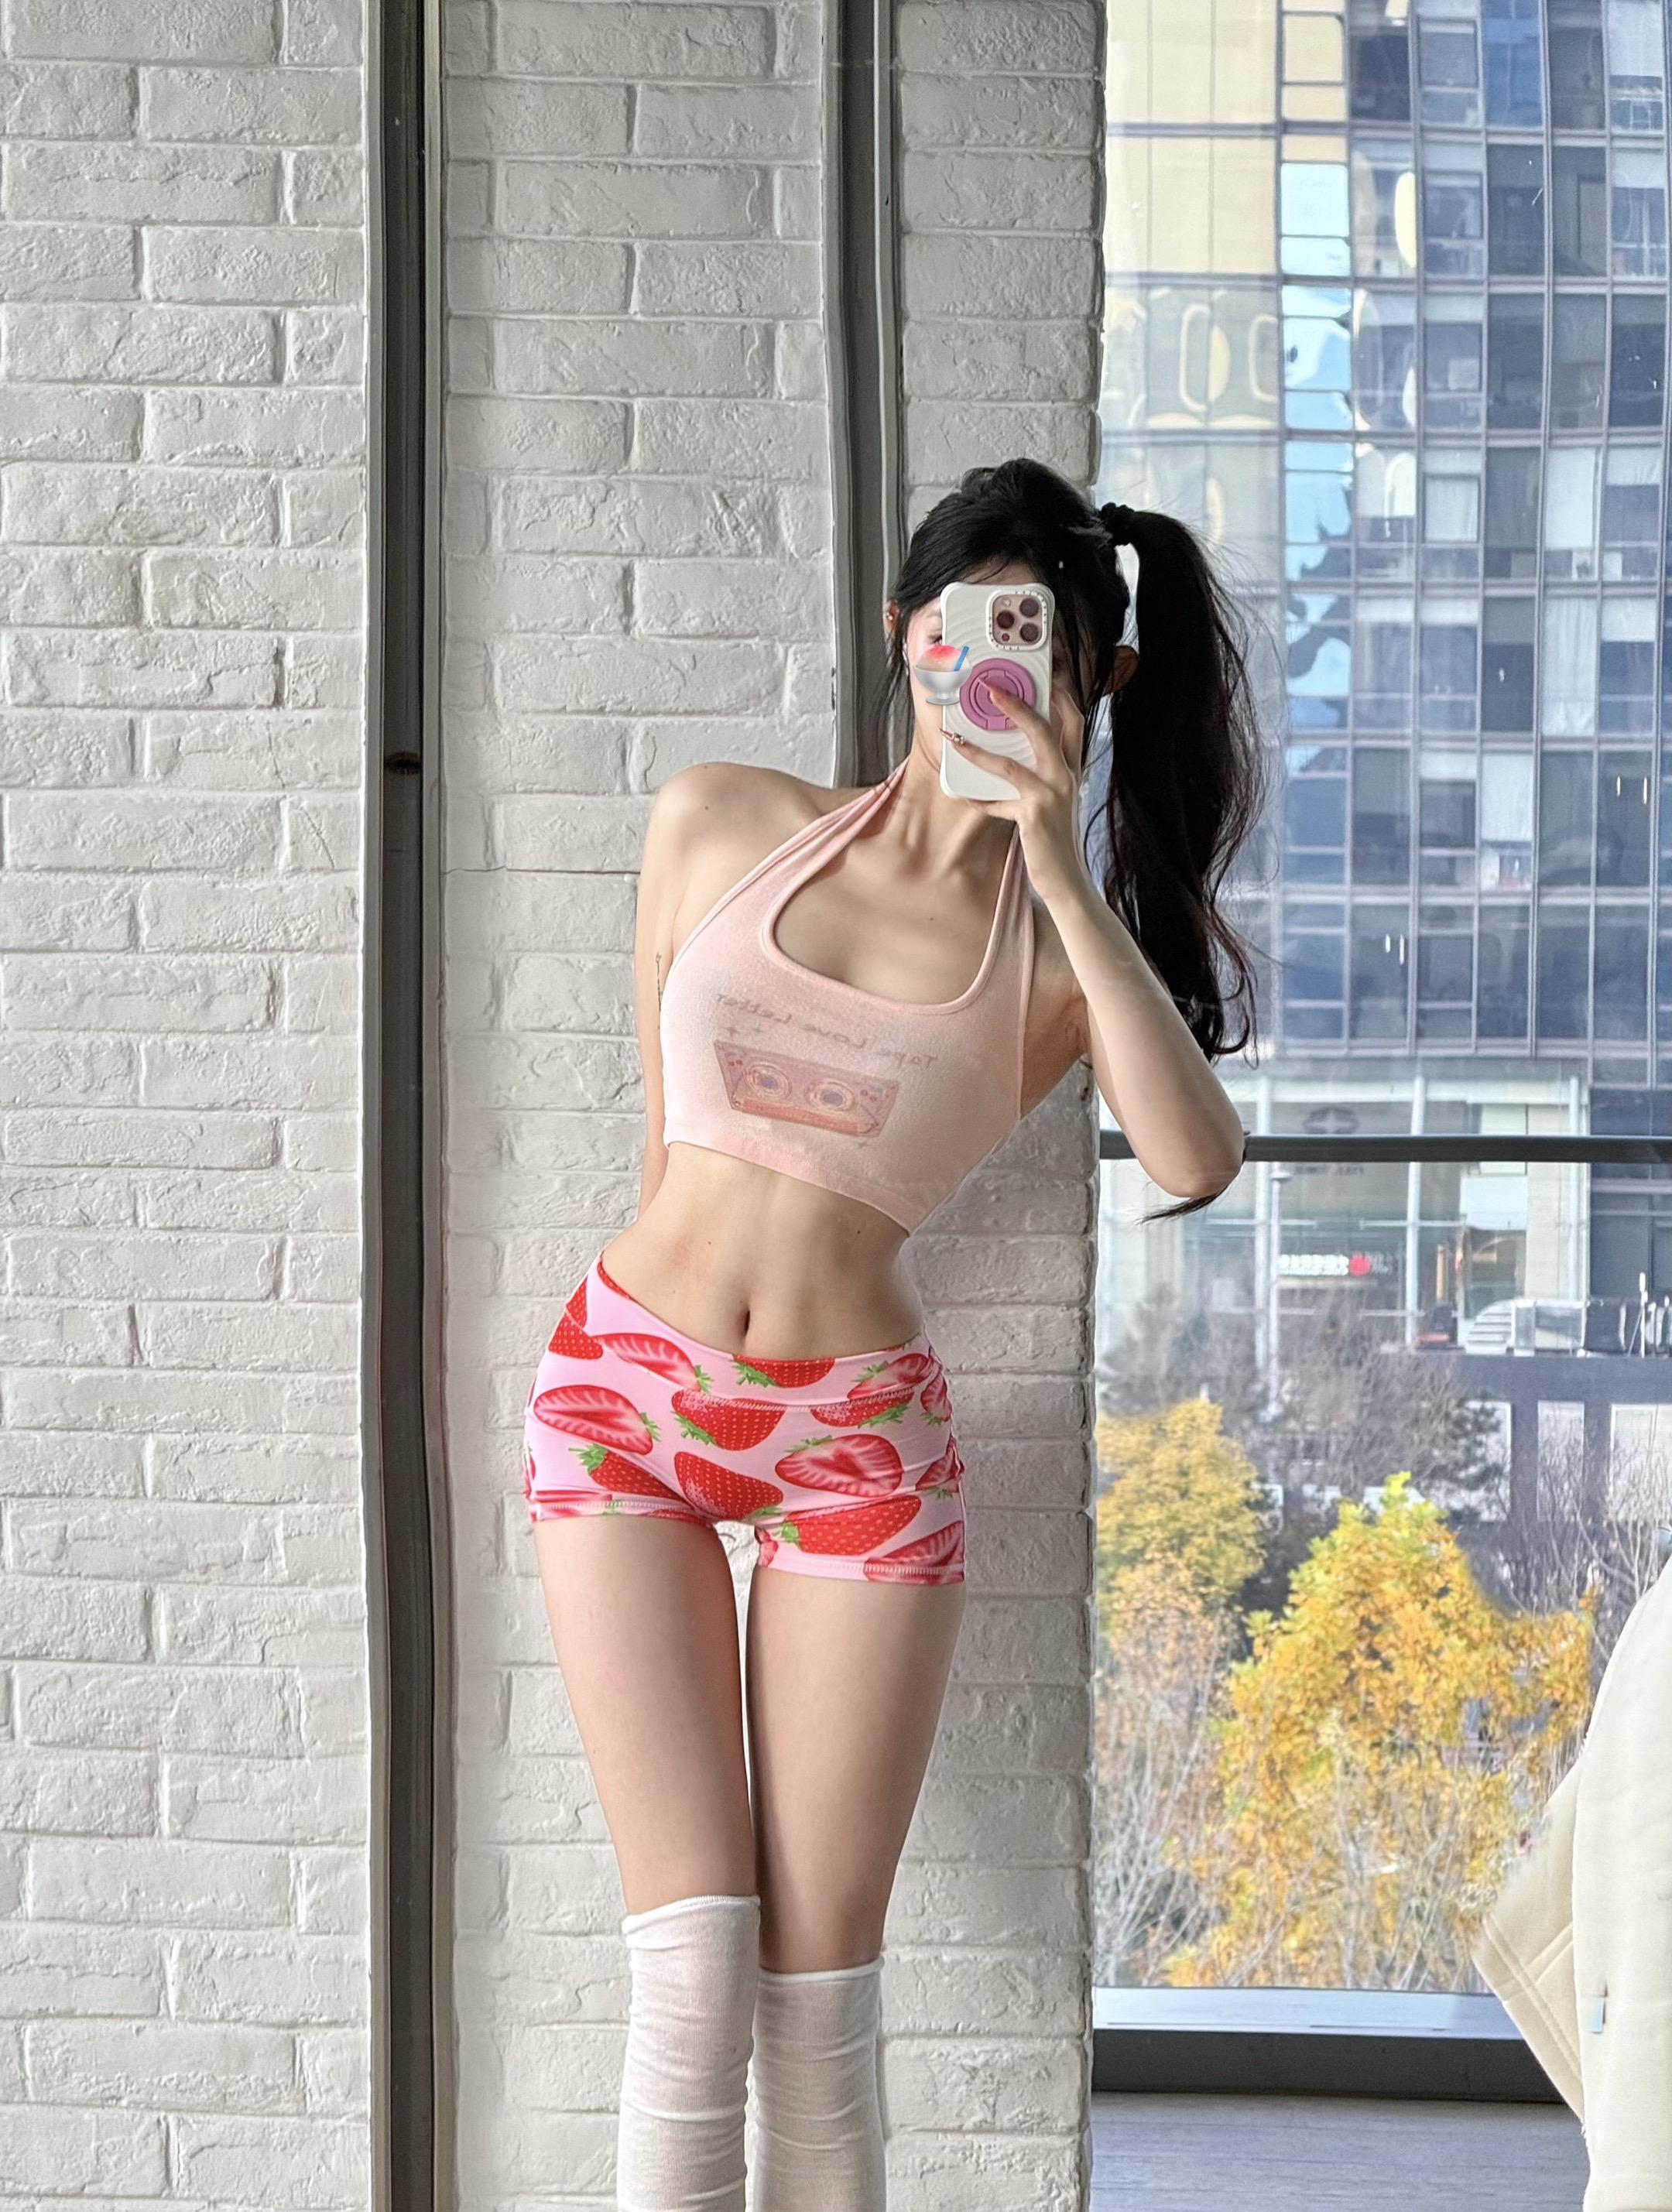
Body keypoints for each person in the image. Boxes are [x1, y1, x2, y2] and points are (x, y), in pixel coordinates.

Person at [522, 456, 1264, 2210]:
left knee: (817, 2003)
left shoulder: (1060, 962)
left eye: (1036, 645)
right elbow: (666, 1139)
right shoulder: (718, 819)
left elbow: (1195, 1157)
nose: (988, 673)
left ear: (1095, 677)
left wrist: (1060, 860)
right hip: (624, 1397)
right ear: (902, 634)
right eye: (962, 632)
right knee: (689, 1974)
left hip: (855, 1444)